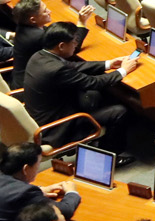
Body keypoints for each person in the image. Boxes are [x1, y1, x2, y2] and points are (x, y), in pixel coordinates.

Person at [24, 23, 140, 160]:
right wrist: (123, 71)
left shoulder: (39, 56)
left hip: (45, 114)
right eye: (74, 42)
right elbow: (93, 83)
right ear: (61, 46)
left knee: (99, 96)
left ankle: (105, 139)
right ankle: (108, 157)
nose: (75, 45)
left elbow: (73, 66)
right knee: (119, 111)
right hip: (60, 126)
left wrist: (108, 63)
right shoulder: (55, 70)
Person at [0, 142, 79, 221]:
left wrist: (39, 190)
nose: (37, 170)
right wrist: (71, 192)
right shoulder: (25, 193)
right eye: (38, 165)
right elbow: (65, 210)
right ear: (26, 169)